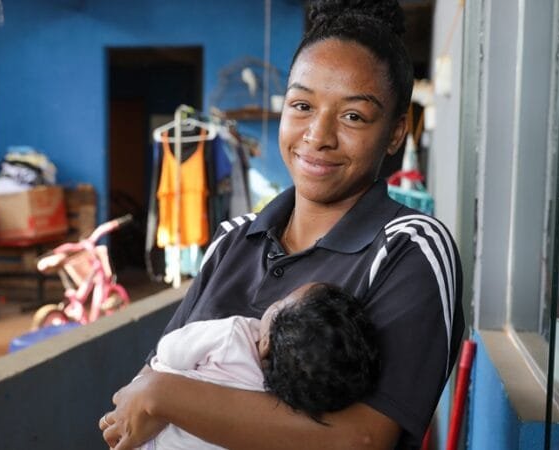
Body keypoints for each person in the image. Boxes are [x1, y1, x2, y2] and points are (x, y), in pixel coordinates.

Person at [100, 0, 465, 448]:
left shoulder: (409, 248)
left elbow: (361, 439)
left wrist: (167, 396)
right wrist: (154, 395)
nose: (318, 136)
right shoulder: (233, 240)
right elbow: (142, 393)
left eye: (353, 116)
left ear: (395, 132)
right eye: (302, 105)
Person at [139, 282, 380, 450]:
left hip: (154, 436)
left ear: (265, 344)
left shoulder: (233, 336)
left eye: (279, 302)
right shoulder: (283, 403)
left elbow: (169, 349)